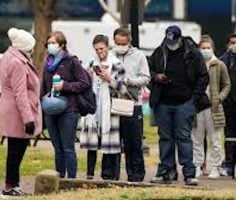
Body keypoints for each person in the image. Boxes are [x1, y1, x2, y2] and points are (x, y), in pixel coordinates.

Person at [149, 25, 210, 186]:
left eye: (174, 40)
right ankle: (166, 172)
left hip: (185, 102)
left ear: (180, 38)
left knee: (184, 138)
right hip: (163, 102)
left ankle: (189, 173)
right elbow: (149, 72)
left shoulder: (193, 53)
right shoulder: (159, 52)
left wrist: (194, 99)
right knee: (165, 139)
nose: (171, 44)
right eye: (169, 40)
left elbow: (203, 77)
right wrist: (157, 77)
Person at [0, 27, 42, 198]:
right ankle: (10, 186)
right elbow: (20, 93)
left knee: (14, 150)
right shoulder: (17, 63)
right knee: (16, 151)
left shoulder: (9, 56)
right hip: (18, 114)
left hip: (13, 111)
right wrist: (28, 119)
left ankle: (13, 184)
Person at [42, 31, 90, 179]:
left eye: (53, 43)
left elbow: (84, 83)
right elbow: (44, 85)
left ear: (62, 45)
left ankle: (71, 180)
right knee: (57, 147)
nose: (50, 46)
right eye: (49, 43)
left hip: (69, 109)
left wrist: (65, 86)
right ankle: (59, 177)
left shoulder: (71, 61)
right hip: (51, 109)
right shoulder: (48, 62)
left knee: (68, 147)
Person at [80, 34, 127, 180]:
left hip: (110, 108)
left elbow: (124, 89)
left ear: (108, 47)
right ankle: (89, 174)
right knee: (92, 142)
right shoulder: (91, 63)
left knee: (111, 143)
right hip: (93, 107)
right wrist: (88, 75)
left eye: (102, 49)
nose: (99, 52)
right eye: (96, 49)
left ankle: (113, 175)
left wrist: (109, 79)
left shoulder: (117, 64)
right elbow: (84, 84)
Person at [112, 28, 150, 182]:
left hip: (133, 103)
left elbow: (146, 78)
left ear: (129, 42)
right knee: (114, 141)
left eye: (123, 43)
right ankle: (112, 174)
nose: (120, 46)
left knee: (133, 142)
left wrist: (131, 80)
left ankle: (136, 174)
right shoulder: (111, 55)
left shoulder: (139, 56)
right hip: (114, 103)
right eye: (118, 43)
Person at [192, 35, 230, 179]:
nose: (206, 50)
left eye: (208, 48)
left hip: (214, 108)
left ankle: (215, 166)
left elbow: (226, 84)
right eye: (203, 48)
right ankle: (197, 165)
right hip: (198, 107)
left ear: (213, 49)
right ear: (198, 49)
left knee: (215, 139)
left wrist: (219, 98)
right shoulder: (194, 64)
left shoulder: (219, 65)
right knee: (197, 138)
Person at [220, 33, 236, 176]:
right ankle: (229, 165)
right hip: (229, 104)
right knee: (229, 136)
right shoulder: (223, 61)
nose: (234, 45)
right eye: (232, 42)